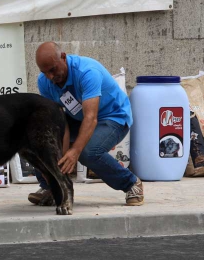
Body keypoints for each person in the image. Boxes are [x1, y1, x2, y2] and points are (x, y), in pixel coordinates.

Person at [28, 42, 144, 206]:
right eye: (44, 72)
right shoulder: (45, 82)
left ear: (63, 57)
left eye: (53, 70)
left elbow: (91, 117)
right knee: (41, 141)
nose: (50, 77)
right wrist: (60, 154)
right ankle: (51, 188)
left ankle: (131, 183)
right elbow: (59, 121)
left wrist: (75, 151)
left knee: (88, 152)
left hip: (113, 117)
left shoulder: (87, 72)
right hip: (77, 118)